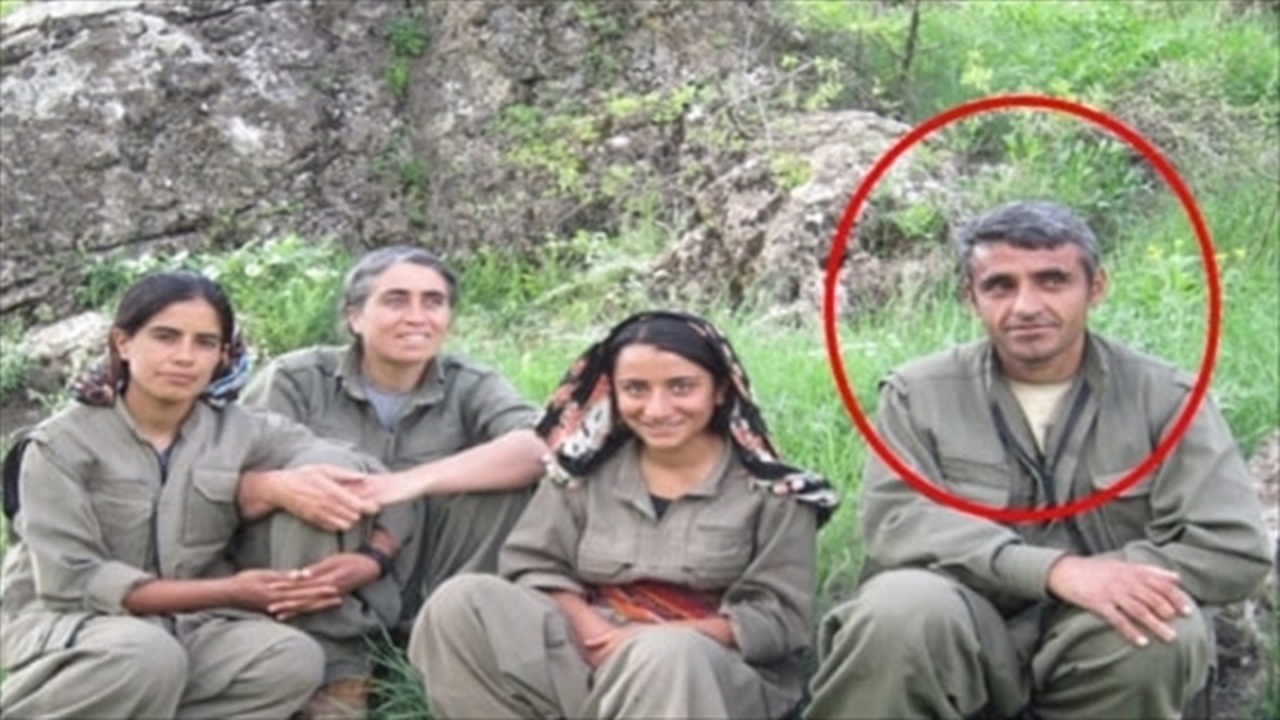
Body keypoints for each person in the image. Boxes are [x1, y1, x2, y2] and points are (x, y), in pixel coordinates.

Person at [805, 200, 1272, 719]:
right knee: (897, 611)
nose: (1026, 305)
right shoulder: (918, 395)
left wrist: (1115, 575)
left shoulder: (1166, 398)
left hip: (1095, 633)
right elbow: (897, 521)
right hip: (960, 617)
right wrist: (1053, 571)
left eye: (1052, 281)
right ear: (971, 297)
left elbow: (1232, 547)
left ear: (1095, 287)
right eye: (1000, 286)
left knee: (1158, 627)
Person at [412, 310, 839, 718]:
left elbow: (779, 617)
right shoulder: (579, 475)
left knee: (666, 655)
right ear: (613, 392)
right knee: (460, 604)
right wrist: (595, 632)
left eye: (681, 387)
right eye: (635, 389)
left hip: (708, 674)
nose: (657, 409)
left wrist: (652, 640)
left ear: (720, 390)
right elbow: (534, 567)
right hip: (589, 654)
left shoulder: (777, 493)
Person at [0, 270, 379, 719]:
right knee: (147, 656)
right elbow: (74, 583)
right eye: (165, 337)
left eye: (204, 343)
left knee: (290, 660)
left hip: (184, 625)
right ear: (123, 342)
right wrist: (230, 591)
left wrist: (373, 553)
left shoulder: (236, 430)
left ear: (222, 355)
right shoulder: (60, 445)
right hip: (69, 620)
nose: (184, 357)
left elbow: (367, 474)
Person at [235, 245, 547, 716]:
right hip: (319, 571)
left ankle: (433, 647)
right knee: (316, 473)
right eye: (396, 300)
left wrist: (409, 484)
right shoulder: (296, 379)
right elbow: (227, 478)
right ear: (355, 317)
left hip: (419, 566)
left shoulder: (470, 384)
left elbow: (542, 445)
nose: (416, 317)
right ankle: (337, 673)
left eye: (433, 302)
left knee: (509, 486)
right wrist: (277, 488)